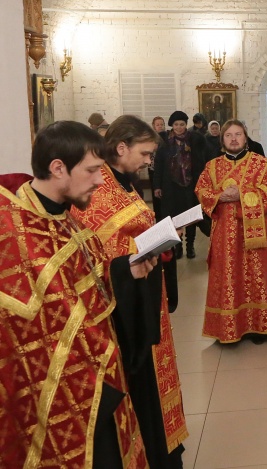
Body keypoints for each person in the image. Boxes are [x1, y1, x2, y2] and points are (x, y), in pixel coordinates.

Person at [0, 121, 154, 468]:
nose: (101, 181)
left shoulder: (64, 217)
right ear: (58, 168)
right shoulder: (15, 232)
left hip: (101, 376)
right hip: (63, 388)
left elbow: (92, 275)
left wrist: (125, 269)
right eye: (92, 170)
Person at [72, 115, 188, 468]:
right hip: (128, 307)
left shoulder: (123, 181)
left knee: (156, 376)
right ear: (121, 148)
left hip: (147, 294)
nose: (148, 162)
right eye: (145, 153)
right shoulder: (99, 188)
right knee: (141, 384)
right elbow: (98, 251)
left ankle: (165, 443)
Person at [195, 120, 267, 344]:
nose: (234, 139)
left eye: (238, 134)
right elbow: (201, 190)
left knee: (258, 275)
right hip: (224, 235)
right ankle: (228, 328)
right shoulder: (212, 166)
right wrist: (219, 196)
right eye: (229, 135)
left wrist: (242, 193)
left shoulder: (262, 164)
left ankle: (261, 326)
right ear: (223, 140)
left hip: (254, 236)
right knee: (228, 276)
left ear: (246, 138)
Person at [152, 110, 206, 259]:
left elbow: (201, 162)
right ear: (172, 125)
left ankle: (190, 246)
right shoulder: (165, 143)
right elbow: (158, 165)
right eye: (176, 124)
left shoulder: (194, 140)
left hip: (190, 184)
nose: (179, 127)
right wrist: (157, 186)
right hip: (171, 186)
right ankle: (177, 246)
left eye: (182, 124)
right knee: (174, 217)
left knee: (191, 217)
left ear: (186, 125)